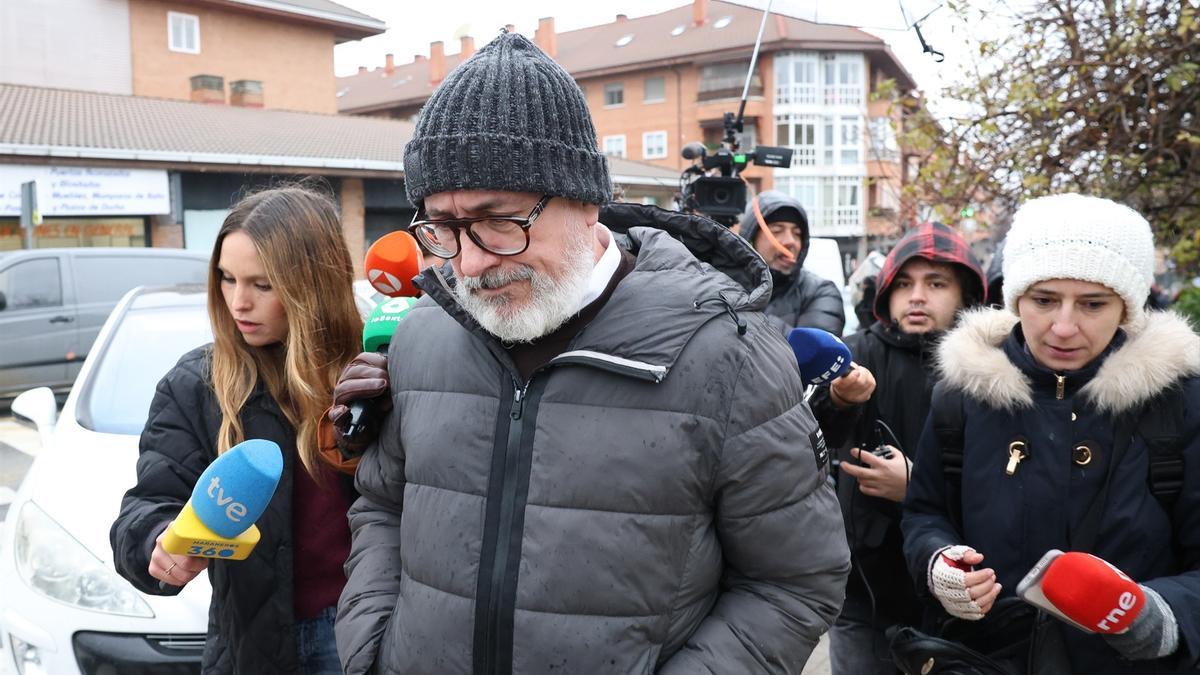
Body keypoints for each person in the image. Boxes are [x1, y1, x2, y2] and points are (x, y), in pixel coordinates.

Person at [332, 32, 849, 675]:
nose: (468, 262)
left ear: (585, 202)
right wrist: (372, 650)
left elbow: (794, 582)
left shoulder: (727, 353)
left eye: (499, 221)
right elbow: (383, 508)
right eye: (443, 227)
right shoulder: (423, 334)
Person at [903, 194, 1200, 673]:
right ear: (1016, 296)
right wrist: (939, 564)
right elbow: (925, 512)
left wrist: (1162, 614)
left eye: (1092, 304)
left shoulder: (1180, 402)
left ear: (1126, 307)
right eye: (1044, 300)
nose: (1064, 327)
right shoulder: (962, 396)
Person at [110, 186, 363, 674]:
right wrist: (157, 542)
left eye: (262, 285)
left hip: (366, 632)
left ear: (313, 286)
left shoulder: (371, 371)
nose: (238, 302)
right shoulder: (197, 385)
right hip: (255, 646)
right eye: (226, 279)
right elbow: (145, 505)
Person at [810, 222, 987, 675]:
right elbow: (803, 445)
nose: (917, 296)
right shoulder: (853, 355)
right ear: (885, 293)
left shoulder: (987, 369)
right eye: (904, 283)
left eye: (936, 283)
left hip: (959, 588)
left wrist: (916, 488)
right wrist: (837, 401)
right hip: (862, 589)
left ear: (966, 294)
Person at [738, 190, 846, 335]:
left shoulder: (820, 292)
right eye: (776, 231)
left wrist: (737, 315)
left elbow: (812, 351)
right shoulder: (724, 282)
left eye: (797, 234)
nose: (790, 241)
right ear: (751, 239)